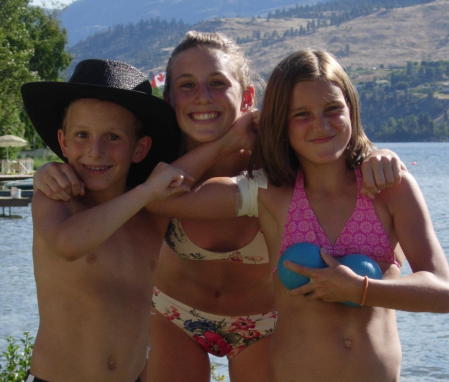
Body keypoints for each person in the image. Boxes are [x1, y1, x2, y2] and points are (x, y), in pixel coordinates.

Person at [33, 34, 406, 382]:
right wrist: (48, 172)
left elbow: (338, 159)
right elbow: (102, 176)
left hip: (262, 322)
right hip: (173, 316)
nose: (202, 97)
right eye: (187, 86)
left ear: (246, 97)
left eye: (217, 83)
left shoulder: (279, 161)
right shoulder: (150, 164)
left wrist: (376, 156)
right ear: (171, 100)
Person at [149, 49, 449, 381]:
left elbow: (443, 290)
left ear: (352, 109)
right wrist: (225, 144)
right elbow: (160, 197)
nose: (320, 125)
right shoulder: (267, 193)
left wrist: (362, 291)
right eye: (301, 114)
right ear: (280, 123)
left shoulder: (389, 188)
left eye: (333, 109)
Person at [21, 58, 248, 382]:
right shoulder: (57, 198)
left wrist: (227, 142)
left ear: (140, 148)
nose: (95, 151)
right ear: (63, 142)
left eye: (112, 137)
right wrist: (147, 191)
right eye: (82, 135)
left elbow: (181, 174)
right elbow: (66, 244)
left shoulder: (151, 216)